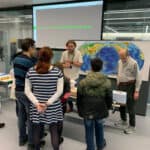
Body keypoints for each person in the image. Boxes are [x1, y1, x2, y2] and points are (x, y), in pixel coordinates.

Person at [25, 47, 64, 150]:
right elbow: (59, 91)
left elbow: (27, 91)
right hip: (53, 106)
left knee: (37, 130)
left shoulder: (30, 71)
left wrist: (37, 103)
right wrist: (48, 103)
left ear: (38, 56)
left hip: (37, 106)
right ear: (51, 57)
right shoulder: (57, 72)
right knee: (54, 130)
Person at [77, 58, 112, 150]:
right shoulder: (107, 82)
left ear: (91, 67)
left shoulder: (83, 82)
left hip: (87, 110)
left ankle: (90, 148)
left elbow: (79, 98)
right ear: (101, 67)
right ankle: (100, 146)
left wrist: (80, 110)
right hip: (101, 108)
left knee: (89, 130)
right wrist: (107, 107)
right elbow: (109, 98)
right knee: (100, 127)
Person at [13, 38, 36, 147]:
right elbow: (34, 78)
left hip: (18, 91)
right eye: (34, 47)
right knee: (31, 118)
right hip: (27, 92)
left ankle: (22, 139)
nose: (35, 50)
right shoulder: (30, 62)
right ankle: (31, 143)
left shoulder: (16, 59)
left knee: (21, 117)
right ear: (30, 47)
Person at [116, 48, 141, 134]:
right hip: (121, 85)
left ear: (128, 55)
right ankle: (123, 121)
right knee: (121, 105)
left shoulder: (134, 63)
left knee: (130, 107)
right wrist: (118, 83)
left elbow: (138, 77)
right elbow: (119, 73)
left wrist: (137, 91)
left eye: (123, 57)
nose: (122, 59)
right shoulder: (119, 62)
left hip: (130, 86)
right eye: (120, 57)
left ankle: (132, 126)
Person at [54, 62, 71, 144]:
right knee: (59, 121)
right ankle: (58, 138)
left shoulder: (50, 78)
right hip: (61, 104)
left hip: (51, 103)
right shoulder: (66, 79)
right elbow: (68, 94)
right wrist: (64, 102)